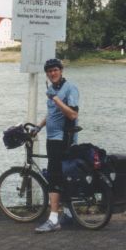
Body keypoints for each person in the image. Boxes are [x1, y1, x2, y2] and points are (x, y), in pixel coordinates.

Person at [35, 58, 79, 233]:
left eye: (55, 70)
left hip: (63, 139)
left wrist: (55, 98)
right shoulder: (53, 89)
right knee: (62, 176)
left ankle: (53, 219)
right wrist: (39, 127)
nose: (52, 73)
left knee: (54, 177)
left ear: (61, 70)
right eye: (49, 71)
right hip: (52, 139)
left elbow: (73, 114)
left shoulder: (70, 88)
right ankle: (68, 214)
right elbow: (52, 113)